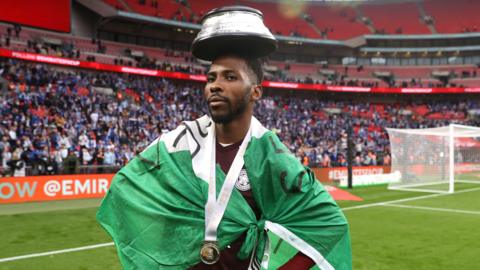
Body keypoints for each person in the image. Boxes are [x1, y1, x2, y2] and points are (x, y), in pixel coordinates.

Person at [97, 6, 351, 270]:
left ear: (255, 92)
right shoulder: (178, 144)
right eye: (211, 78)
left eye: (230, 77)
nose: (215, 85)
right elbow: (128, 190)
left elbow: (330, 224)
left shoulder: (270, 157)